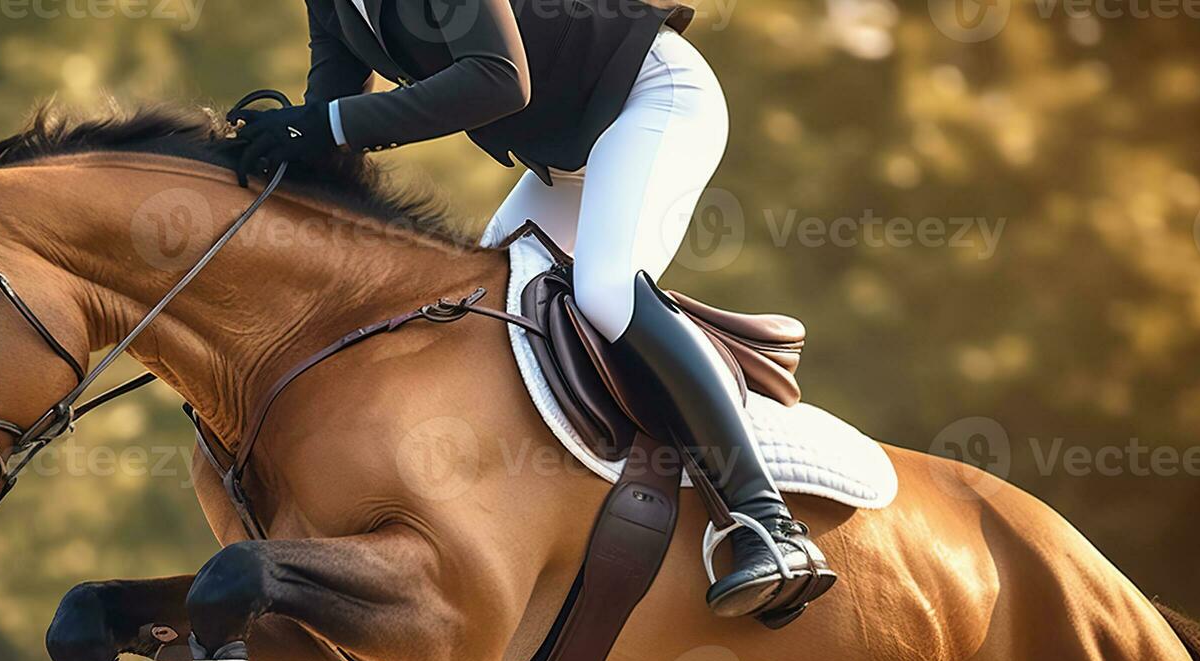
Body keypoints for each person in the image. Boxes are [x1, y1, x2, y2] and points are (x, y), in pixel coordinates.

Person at [228, 0, 834, 621]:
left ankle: (769, 524)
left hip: (649, 98)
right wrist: (270, 150)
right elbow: (332, 114)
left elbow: (498, 79)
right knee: (469, 318)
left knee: (606, 291)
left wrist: (324, 125)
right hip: (564, 154)